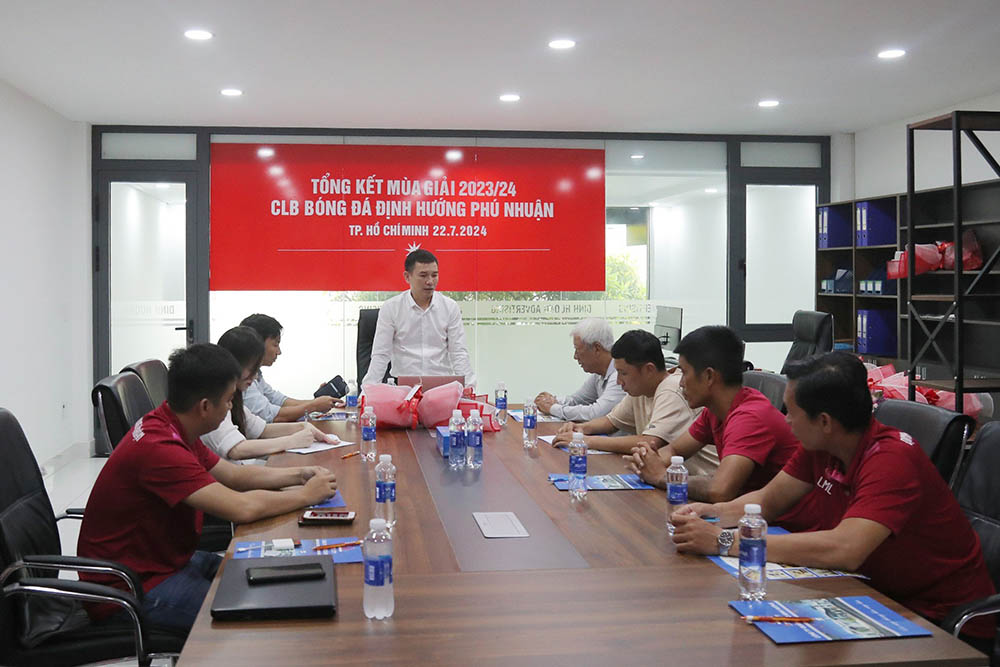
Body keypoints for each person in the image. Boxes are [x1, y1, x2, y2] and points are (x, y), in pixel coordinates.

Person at [672, 351, 996, 644]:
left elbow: (845, 549)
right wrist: (711, 511)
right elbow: (768, 502)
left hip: (938, 622)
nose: (785, 420)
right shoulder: (821, 447)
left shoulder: (891, 459)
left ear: (824, 421)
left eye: (792, 412)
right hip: (869, 592)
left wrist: (724, 541)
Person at [77, 343, 338, 632]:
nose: (231, 408)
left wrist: (299, 475)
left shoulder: (172, 425)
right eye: (228, 401)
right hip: (130, 588)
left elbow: (234, 477)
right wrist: (306, 496)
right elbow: (241, 507)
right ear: (204, 406)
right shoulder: (160, 447)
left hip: (167, 560)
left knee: (266, 576)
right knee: (253, 622)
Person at [624, 325, 798, 502]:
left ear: (709, 376)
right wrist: (647, 461)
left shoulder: (749, 417)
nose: (681, 383)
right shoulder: (715, 411)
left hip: (785, 526)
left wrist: (663, 477)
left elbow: (720, 490)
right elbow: (675, 450)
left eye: (684, 373)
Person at [551, 330, 708, 462]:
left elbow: (650, 442)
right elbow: (610, 421)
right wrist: (580, 428)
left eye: (623, 373)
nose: (619, 381)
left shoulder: (672, 389)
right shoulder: (640, 389)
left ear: (649, 370)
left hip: (693, 481)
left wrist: (586, 441)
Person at [202, 326, 338, 461]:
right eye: (252, 369)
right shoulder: (214, 401)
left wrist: (303, 426)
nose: (255, 377)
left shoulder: (234, 400)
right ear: (234, 365)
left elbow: (263, 429)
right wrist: (291, 441)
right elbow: (236, 450)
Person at [361, 248, 475, 386]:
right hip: (403, 388)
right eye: (423, 275)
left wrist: (469, 389)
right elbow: (381, 354)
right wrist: (368, 392)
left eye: (434, 275)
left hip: (441, 386)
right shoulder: (391, 308)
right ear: (407, 276)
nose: (430, 281)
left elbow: (458, 353)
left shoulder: (450, 307)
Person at [240, 313, 343, 422]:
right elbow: (272, 416)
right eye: (275, 344)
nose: (279, 352)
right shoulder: (243, 379)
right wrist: (313, 406)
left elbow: (279, 400)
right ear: (257, 343)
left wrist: (316, 402)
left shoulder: (256, 374)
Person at [534, 317, 626, 422]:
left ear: (597, 348)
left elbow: (596, 414)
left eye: (577, 350)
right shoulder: (599, 374)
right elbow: (577, 400)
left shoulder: (620, 375)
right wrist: (550, 401)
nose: (575, 356)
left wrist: (552, 408)